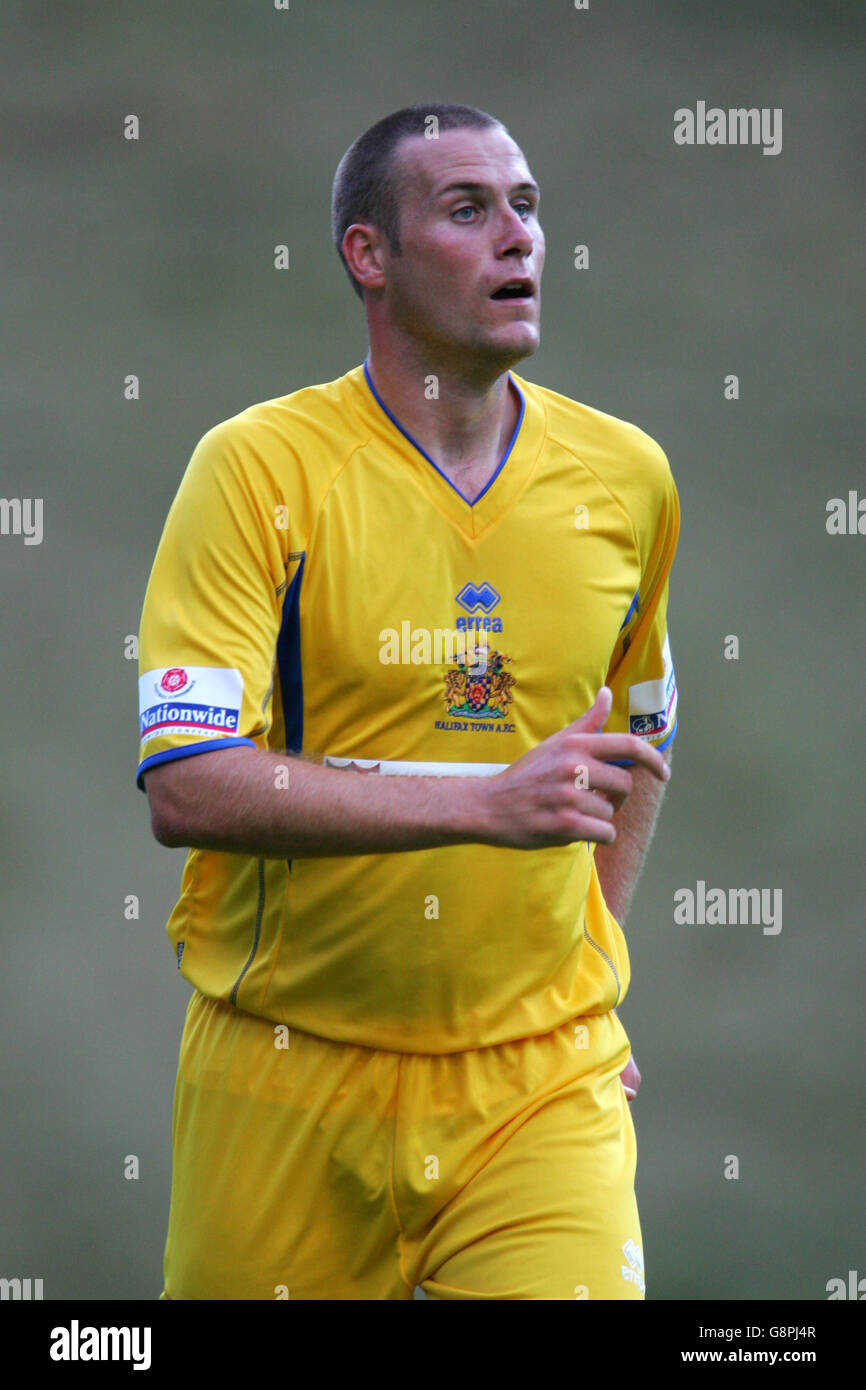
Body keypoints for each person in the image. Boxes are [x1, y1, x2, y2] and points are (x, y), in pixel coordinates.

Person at [137, 102, 679, 1301]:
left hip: (538, 1083)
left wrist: (581, 970)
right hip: (283, 1074)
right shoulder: (258, 470)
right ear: (366, 257)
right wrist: (482, 803)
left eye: (527, 208)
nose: (517, 240)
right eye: (468, 209)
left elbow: (637, 735)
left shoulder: (624, 478)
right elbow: (184, 783)